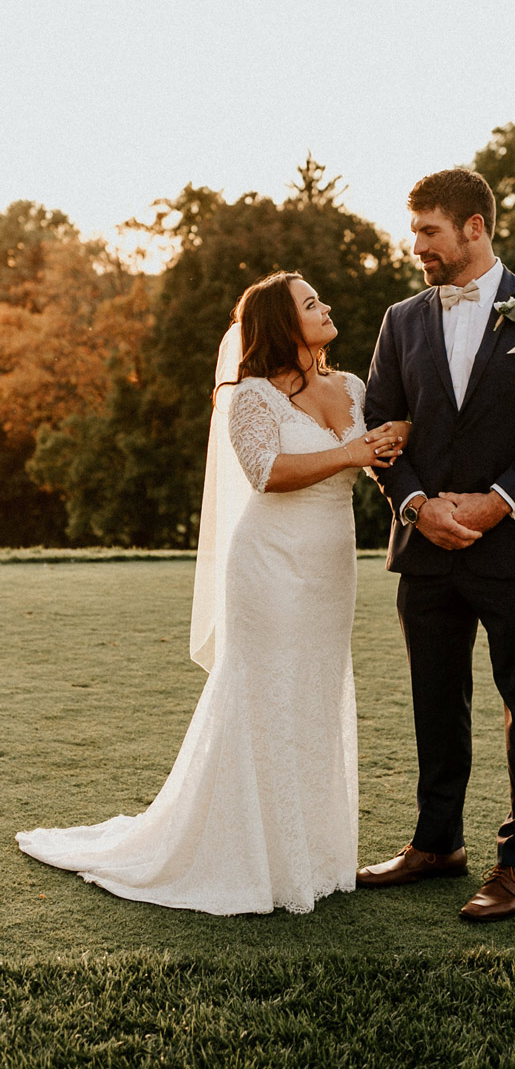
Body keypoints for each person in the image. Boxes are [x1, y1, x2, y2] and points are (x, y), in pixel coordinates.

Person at [16, 270, 406, 916]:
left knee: (312, 689)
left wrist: (395, 441)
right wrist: (353, 451)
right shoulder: (249, 395)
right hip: (267, 564)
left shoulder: (351, 386)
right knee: (263, 693)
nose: (326, 306)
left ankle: (307, 856)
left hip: (329, 567)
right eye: (311, 303)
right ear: (285, 324)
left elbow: (375, 453)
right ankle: (247, 857)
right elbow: (267, 473)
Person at [358, 169, 515, 921]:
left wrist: (496, 503)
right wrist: (417, 505)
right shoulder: (400, 319)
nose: (416, 244)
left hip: (512, 546)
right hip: (425, 550)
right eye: (415, 230)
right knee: (435, 698)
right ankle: (436, 843)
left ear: (474, 228)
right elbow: (380, 428)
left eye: (428, 230)